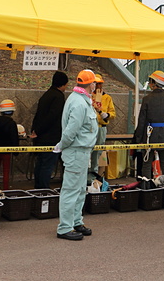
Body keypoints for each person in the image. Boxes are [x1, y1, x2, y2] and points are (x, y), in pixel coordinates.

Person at [55, 69, 99, 241]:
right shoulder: (80, 103)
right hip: (76, 151)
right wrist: (62, 145)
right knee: (71, 190)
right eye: (94, 82)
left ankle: (76, 221)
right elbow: (71, 131)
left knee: (80, 189)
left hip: (81, 151)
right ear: (91, 84)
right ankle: (65, 227)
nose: (96, 85)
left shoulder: (81, 100)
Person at [30, 71, 68, 190]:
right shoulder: (58, 96)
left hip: (41, 137)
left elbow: (39, 114)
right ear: (62, 84)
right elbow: (52, 116)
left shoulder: (46, 95)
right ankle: (44, 190)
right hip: (51, 137)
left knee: (40, 164)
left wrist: (35, 130)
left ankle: (38, 189)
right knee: (47, 165)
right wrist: (40, 130)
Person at [135, 70, 164, 178]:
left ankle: (146, 188)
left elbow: (142, 120)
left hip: (149, 135)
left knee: (147, 163)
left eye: (150, 81)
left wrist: (138, 138)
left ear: (154, 82)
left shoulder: (147, 99)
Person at [0, 99, 19, 190]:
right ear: (12, 112)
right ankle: (6, 189)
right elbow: (14, 137)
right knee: (6, 171)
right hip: (7, 150)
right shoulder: (12, 123)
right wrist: (16, 150)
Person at [90, 74, 115, 175]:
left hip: (101, 127)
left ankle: (94, 174)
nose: (98, 86)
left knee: (98, 151)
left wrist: (106, 115)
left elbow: (113, 113)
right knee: (89, 150)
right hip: (91, 127)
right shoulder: (89, 96)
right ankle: (87, 173)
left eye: (100, 84)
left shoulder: (107, 98)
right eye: (96, 83)